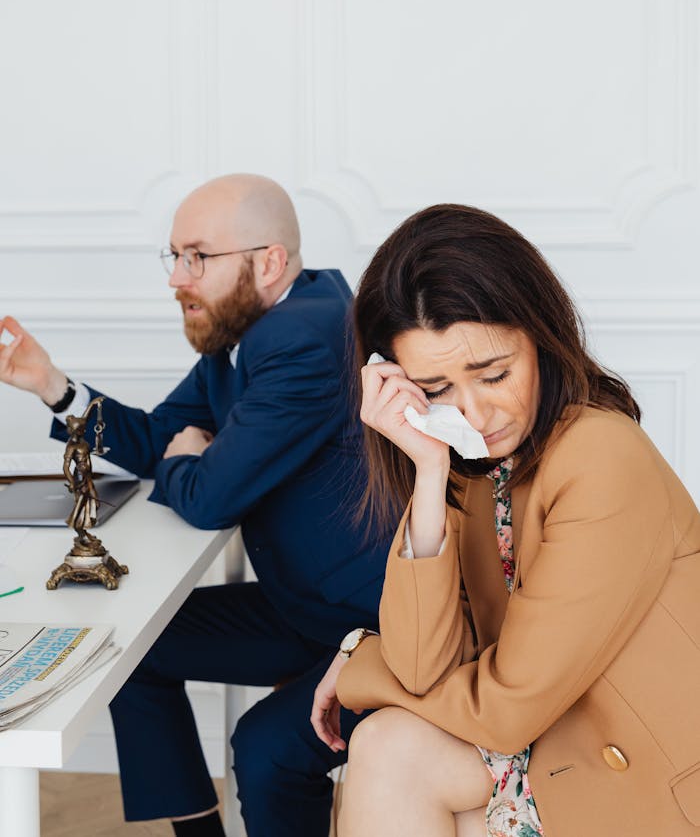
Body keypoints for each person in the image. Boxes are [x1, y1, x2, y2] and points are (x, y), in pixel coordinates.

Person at [0, 174, 391, 837]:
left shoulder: (303, 340)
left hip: (377, 628)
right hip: (303, 605)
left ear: (269, 262)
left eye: (198, 257)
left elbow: (207, 496)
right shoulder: (243, 330)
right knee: (132, 652)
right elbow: (161, 436)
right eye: (174, 256)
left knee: (264, 748)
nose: (178, 278)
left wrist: (186, 461)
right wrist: (54, 387)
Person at [311, 203, 700, 837]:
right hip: (561, 750)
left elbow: (505, 711)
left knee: (388, 750)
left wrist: (360, 663)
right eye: (434, 390)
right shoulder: (470, 464)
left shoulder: (602, 455)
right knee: (386, 746)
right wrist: (430, 475)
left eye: (494, 374)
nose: (475, 413)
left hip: (647, 776)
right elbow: (424, 669)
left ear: (543, 338)